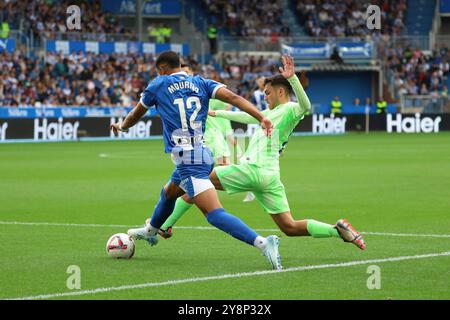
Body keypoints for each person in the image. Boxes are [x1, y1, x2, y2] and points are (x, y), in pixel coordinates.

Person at [157, 55, 366, 251]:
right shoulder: (270, 113)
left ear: (280, 92)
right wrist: (214, 112)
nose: (265, 97)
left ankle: (165, 225)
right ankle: (336, 229)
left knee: (197, 181)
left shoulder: (291, 109)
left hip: (253, 169)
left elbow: (306, 105)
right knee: (289, 227)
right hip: (270, 177)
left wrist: (292, 78)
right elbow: (247, 118)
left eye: (267, 93)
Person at [110, 51, 283, 270]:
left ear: (162, 68)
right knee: (169, 192)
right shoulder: (201, 82)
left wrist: (122, 126)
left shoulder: (158, 84)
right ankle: (152, 231)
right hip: (202, 153)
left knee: (214, 213)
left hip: (188, 160)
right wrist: (262, 117)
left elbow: (136, 114)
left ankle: (263, 243)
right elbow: (234, 98)